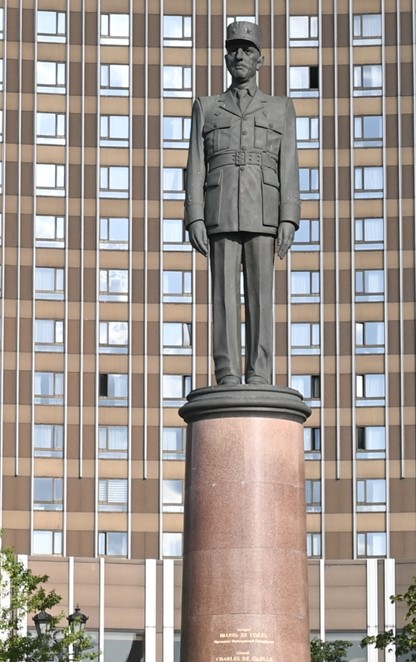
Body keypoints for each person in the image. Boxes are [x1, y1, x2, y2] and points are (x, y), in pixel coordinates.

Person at [183, 20, 300, 387]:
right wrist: (194, 217)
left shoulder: (280, 108)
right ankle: (228, 373)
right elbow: (195, 164)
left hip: (264, 210)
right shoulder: (207, 107)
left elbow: (289, 165)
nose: (239, 56)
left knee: (261, 297)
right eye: (233, 50)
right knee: (223, 297)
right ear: (225, 58)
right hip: (220, 209)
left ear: (260, 60)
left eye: (247, 50)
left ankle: (260, 373)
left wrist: (289, 218)